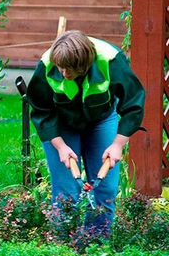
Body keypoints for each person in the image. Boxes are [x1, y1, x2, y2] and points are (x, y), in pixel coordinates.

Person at [26, 30, 145, 240]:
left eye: (69, 70)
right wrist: (61, 147)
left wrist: (118, 145)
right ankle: (64, 249)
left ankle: (96, 246)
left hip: (102, 119)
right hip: (61, 126)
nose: (63, 73)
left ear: (85, 64)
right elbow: (42, 111)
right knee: (66, 193)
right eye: (61, 68)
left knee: (105, 189)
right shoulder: (47, 65)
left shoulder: (110, 60)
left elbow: (133, 104)